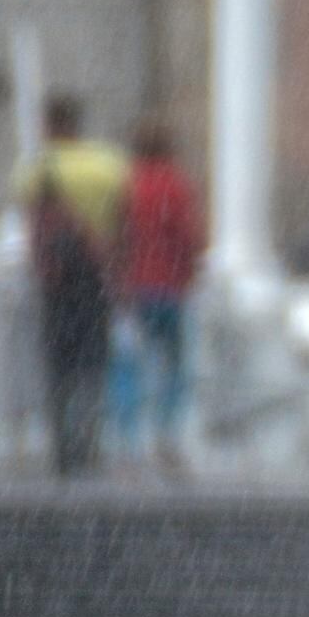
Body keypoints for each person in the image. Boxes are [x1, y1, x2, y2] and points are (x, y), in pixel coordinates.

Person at [16, 93, 128, 478]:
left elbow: (33, 226)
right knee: (93, 363)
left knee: (59, 365)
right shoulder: (107, 166)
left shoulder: (38, 169)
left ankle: (64, 446)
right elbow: (123, 222)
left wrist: (40, 266)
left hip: (56, 280)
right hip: (95, 276)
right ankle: (90, 440)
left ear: (50, 126)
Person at [112, 116, 207, 476]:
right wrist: (191, 270)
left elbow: (120, 235)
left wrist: (120, 277)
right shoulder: (177, 186)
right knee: (174, 367)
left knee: (131, 365)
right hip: (171, 287)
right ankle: (166, 436)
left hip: (137, 287)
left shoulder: (130, 184)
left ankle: (127, 442)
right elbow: (189, 236)